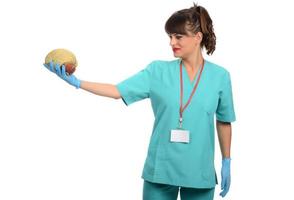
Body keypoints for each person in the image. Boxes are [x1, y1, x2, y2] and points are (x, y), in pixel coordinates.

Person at [43, 2, 236, 200]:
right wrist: (77, 82)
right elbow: (117, 91)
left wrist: (227, 160)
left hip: (198, 170)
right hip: (161, 169)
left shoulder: (220, 76)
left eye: (178, 36)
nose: (172, 42)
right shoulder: (157, 71)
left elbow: (223, 121)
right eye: (170, 36)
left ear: (198, 37)